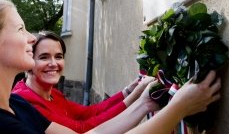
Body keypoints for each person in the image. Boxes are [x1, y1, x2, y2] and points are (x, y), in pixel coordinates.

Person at [0, 0, 221, 134]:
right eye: (20, 29)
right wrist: (177, 108)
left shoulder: (10, 108)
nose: (31, 37)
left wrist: (145, 104)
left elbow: (88, 130)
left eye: (58, 56)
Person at [12, 30, 153, 132]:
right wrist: (137, 97)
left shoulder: (53, 94)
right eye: (44, 57)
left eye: (59, 56)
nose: (53, 63)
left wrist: (128, 91)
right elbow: (82, 129)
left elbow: (89, 112)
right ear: (28, 61)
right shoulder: (25, 101)